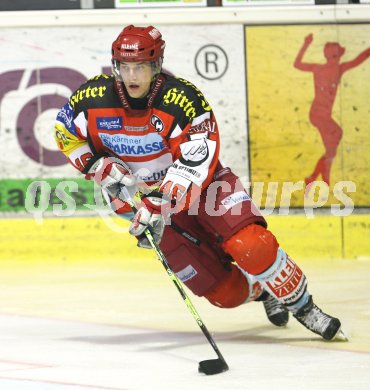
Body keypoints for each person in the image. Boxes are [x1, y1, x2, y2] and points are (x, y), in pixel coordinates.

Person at [54, 25, 346, 340]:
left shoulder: (182, 99)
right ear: (115, 67)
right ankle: (264, 292)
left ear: (155, 65)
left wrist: (162, 199)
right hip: (151, 207)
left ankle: (304, 307)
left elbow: (197, 160)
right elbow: (64, 133)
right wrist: (94, 163)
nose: (132, 75)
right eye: (125, 67)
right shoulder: (90, 98)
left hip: (206, 187)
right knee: (225, 294)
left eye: (140, 67)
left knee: (251, 245)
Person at [294, 34, 370, 191]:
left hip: (319, 114)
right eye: (340, 53)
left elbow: (297, 64)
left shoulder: (321, 68)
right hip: (320, 114)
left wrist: (306, 44)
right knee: (335, 137)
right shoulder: (337, 69)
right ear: (337, 55)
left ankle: (314, 177)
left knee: (332, 145)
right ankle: (323, 176)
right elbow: (360, 59)